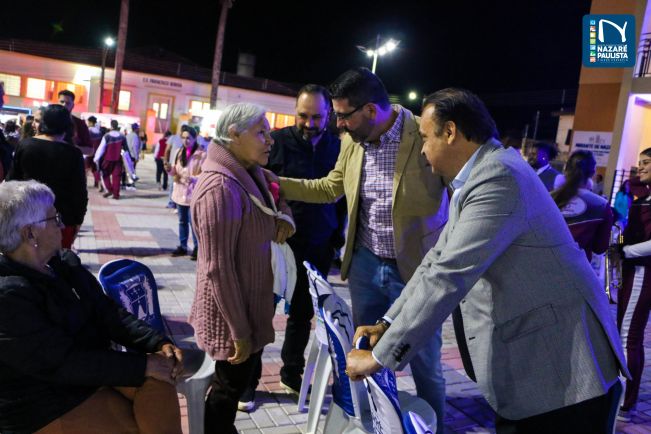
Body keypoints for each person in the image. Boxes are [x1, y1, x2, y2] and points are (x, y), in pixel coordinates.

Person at [346, 88, 628, 433]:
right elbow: (435, 260)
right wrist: (387, 323)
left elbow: (449, 275)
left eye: (425, 137)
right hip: (539, 374)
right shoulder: (480, 177)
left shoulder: (499, 178)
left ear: (450, 132)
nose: (421, 149)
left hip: (562, 374)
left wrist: (380, 357)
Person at [275, 67, 448, 430]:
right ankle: (369, 423)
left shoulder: (424, 133)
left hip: (415, 271)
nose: (337, 124)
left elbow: (458, 195)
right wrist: (275, 184)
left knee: (426, 363)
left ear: (370, 110)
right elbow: (329, 188)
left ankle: (436, 427)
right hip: (366, 265)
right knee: (364, 352)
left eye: (343, 115)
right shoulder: (352, 141)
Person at [0, 180, 184, 434]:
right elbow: (61, 363)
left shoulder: (62, 264)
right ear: (30, 234)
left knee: (161, 381)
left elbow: (108, 313)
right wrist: (143, 365)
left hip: (85, 375)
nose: (62, 225)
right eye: (54, 219)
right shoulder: (8, 295)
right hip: (41, 404)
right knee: (138, 417)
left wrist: (157, 343)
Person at [189, 103, 294, 433]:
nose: (270, 140)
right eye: (261, 132)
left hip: (249, 305)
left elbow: (276, 196)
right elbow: (217, 268)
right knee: (226, 390)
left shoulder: (252, 174)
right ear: (234, 134)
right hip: (231, 315)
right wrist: (240, 332)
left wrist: (284, 217)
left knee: (232, 386)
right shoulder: (220, 189)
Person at [261, 84, 346, 402]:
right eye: (303, 115)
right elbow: (261, 191)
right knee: (262, 311)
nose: (309, 123)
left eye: (316, 117)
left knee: (302, 315)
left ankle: (291, 374)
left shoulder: (338, 147)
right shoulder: (277, 142)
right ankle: (247, 380)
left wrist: (336, 239)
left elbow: (342, 198)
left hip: (318, 245)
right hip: (278, 245)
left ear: (329, 115)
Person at [7, 104, 87, 250]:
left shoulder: (25, 145)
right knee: (57, 259)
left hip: (27, 216)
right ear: (67, 126)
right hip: (61, 220)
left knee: (26, 258)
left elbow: (11, 182)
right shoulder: (73, 153)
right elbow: (79, 192)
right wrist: (77, 221)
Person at [617, 148, 651, 421]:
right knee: (629, 336)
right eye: (640, 162)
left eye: (647, 163)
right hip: (635, 271)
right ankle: (625, 398)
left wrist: (625, 251)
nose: (640, 167)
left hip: (642, 271)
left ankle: (624, 403)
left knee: (629, 336)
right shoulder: (644, 197)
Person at [551, 150, 613, 261]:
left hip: (541, 264)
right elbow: (600, 248)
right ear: (593, 172)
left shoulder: (548, 197)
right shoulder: (601, 204)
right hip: (575, 268)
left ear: (566, 169)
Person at [170, 127, 206, 260]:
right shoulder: (179, 152)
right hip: (180, 193)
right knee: (182, 221)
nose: (186, 140)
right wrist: (170, 171)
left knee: (194, 222)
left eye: (188, 138)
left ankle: (197, 248)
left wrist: (193, 179)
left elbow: (205, 174)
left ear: (194, 138)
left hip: (193, 194)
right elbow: (175, 171)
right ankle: (183, 246)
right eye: (183, 138)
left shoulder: (202, 154)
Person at [94, 120, 127, 200]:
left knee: (105, 174)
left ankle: (110, 190)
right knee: (117, 177)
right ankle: (116, 194)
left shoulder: (107, 136)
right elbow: (126, 150)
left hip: (107, 159)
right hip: (118, 159)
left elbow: (101, 148)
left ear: (111, 126)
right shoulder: (122, 136)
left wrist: (96, 158)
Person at [58, 89, 92, 156]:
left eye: (68, 103)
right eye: (62, 102)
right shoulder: (49, 119)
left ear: (73, 105)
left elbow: (90, 150)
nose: (64, 105)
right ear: (57, 103)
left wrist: (70, 147)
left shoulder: (79, 123)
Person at [86, 116, 103, 190]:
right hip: (96, 153)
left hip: (88, 152)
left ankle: (83, 183)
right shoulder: (99, 132)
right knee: (95, 168)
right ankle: (98, 183)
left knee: (85, 168)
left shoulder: (88, 131)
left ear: (90, 122)